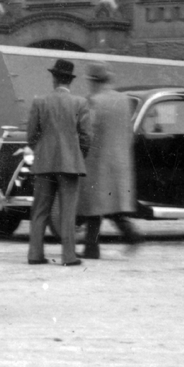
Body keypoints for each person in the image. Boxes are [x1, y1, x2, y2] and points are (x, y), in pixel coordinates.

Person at [25, 58, 92, 266]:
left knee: (40, 210)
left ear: (54, 78)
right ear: (70, 81)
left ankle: (35, 255)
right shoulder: (80, 103)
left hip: (44, 163)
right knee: (68, 211)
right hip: (70, 164)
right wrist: (77, 154)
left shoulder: (40, 102)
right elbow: (86, 136)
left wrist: (42, 150)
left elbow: (31, 135)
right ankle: (69, 256)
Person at [76, 62, 140, 259]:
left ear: (93, 81)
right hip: (119, 161)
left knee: (94, 206)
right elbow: (129, 132)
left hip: (98, 161)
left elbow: (88, 131)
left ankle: (93, 248)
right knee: (111, 205)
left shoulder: (94, 101)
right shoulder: (123, 100)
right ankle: (129, 236)